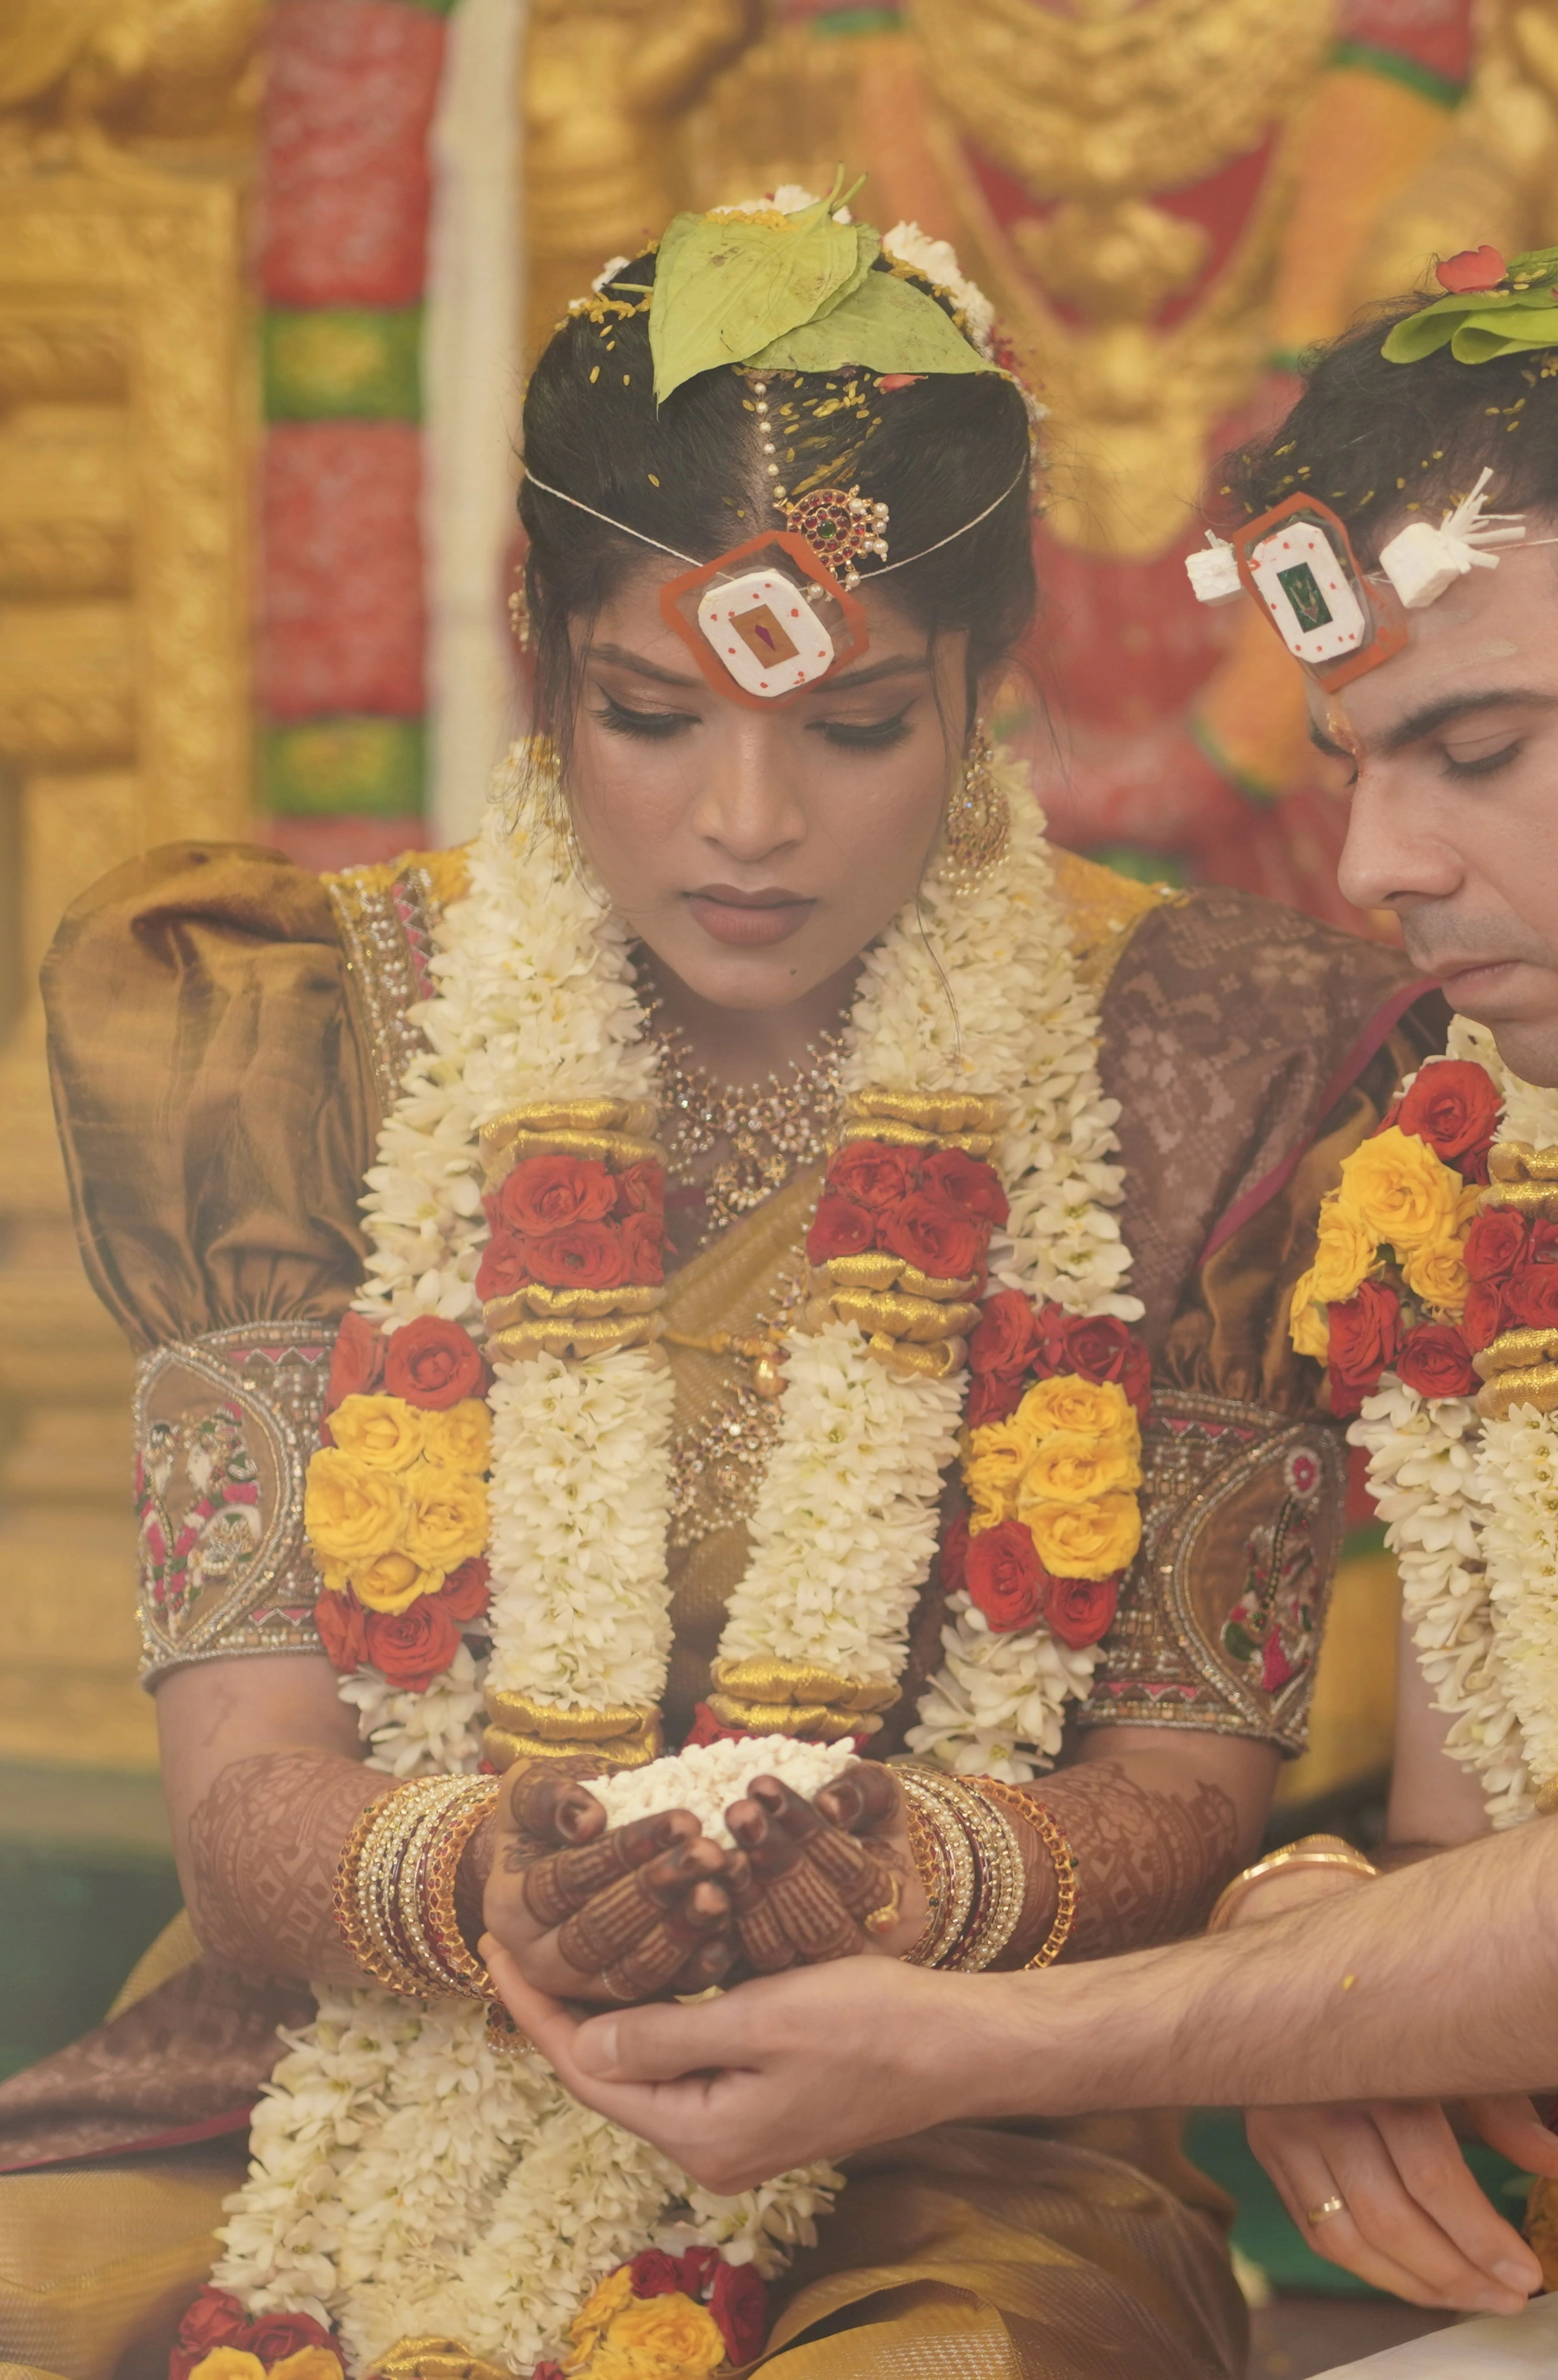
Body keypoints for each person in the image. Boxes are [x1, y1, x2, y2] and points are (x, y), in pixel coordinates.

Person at [0, 188, 1441, 2380]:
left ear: (992, 675)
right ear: (534, 640)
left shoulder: (1212, 1057)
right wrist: (478, 1878)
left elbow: (1181, 1786)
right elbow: (247, 1774)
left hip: (956, 2123)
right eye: (654, 712)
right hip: (312, 2082)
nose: (744, 819)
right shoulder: (303, 1029)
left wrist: (908, 1879)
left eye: (857, 725)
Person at [487, 240, 1558, 2334]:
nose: (1376, 865)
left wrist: (1019, 2038)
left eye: (1489, 745)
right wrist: (1332, 1950)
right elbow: (1463, 1852)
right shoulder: (1482, 1176)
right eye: (1360, 761)